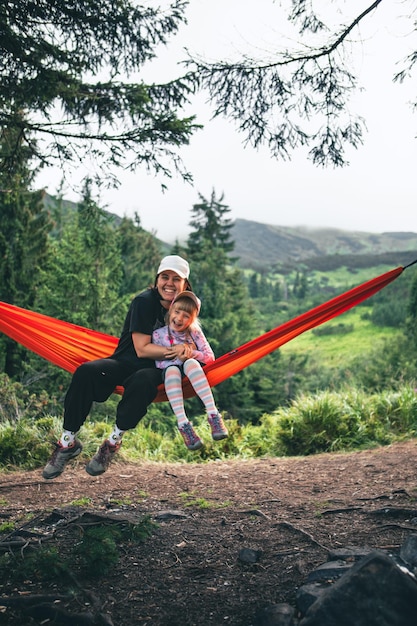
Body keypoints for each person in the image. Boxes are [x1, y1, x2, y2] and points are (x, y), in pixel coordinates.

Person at [42, 255, 196, 480]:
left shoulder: (188, 309)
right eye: (165, 277)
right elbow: (142, 349)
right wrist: (178, 350)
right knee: (86, 372)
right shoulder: (144, 302)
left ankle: (112, 443)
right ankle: (67, 443)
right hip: (125, 362)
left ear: (185, 286)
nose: (169, 283)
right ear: (157, 280)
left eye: (176, 279)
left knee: (142, 382)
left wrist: (190, 350)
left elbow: (196, 339)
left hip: (157, 369)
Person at [152, 290, 228, 450]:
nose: (179, 318)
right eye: (177, 312)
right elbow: (157, 363)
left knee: (191, 363)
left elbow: (209, 357)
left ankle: (213, 414)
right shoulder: (158, 335)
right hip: (169, 371)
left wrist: (190, 353)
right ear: (170, 311)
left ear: (192, 319)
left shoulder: (194, 333)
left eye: (186, 316)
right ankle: (183, 424)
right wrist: (176, 354)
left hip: (192, 371)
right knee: (172, 370)